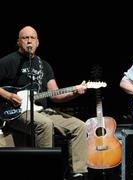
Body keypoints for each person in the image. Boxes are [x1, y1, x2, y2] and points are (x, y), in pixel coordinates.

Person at [0, 26, 88, 180]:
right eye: (25, 38)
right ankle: (46, 171)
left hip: (40, 110)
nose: (29, 41)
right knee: (45, 124)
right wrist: (8, 96)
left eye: (32, 38)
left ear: (38, 42)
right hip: (15, 112)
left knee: (79, 126)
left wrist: (74, 92)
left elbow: (55, 95)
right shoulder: (7, 61)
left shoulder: (44, 65)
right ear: (18, 42)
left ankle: (78, 173)